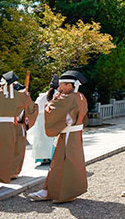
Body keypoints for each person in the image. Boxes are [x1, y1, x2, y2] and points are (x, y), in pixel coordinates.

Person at [27, 70, 89, 203]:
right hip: (75, 134)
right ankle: (59, 191)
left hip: (68, 134)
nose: (59, 88)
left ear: (70, 85)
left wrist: (53, 100)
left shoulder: (67, 98)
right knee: (67, 163)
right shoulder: (80, 97)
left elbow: (51, 109)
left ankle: (58, 192)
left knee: (62, 163)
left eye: (62, 85)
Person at [29, 76, 59, 165]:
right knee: (51, 138)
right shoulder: (58, 95)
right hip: (52, 117)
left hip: (41, 118)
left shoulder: (42, 96)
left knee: (41, 139)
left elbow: (36, 106)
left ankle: (43, 158)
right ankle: (52, 156)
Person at [11, 80, 35, 179]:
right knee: (13, 150)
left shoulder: (24, 99)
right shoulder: (14, 99)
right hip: (12, 125)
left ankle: (13, 172)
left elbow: (31, 110)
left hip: (17, 125)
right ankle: (9, 172)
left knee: (17, 150)